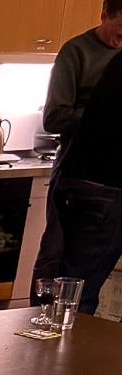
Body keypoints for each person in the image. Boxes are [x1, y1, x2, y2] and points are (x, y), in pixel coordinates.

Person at [31, 0, 122, 298]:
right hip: (75, 165)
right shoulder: (77, 51)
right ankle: (37, 313)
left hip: (109, 173)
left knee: (88, 271)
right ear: (104, 15)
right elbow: (54, 118)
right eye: (121, 27)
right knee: (55, 251)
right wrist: (102, 114)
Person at [53, 46, 122, 314]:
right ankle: (64, 340)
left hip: (80, 183)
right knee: (77, 295)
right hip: (104, 189)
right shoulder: (80, 50)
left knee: (72, 286)